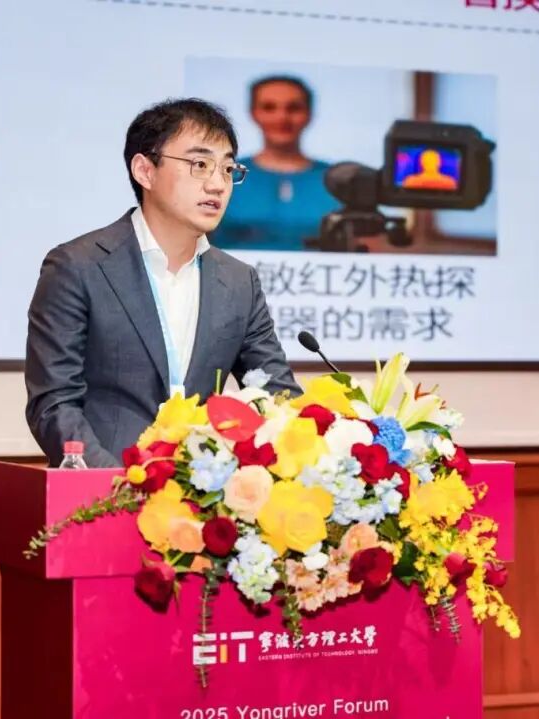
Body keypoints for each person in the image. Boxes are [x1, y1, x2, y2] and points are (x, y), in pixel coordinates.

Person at [25, 98, 302, 467]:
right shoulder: (78, 266)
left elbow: (276, 393)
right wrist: (119, 486)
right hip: (105, 489)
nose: (217, 184)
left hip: (203, 489)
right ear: (145, 170)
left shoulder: (239, 282)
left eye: (227, 169)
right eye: (200, 165)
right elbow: (55, 402)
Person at [211, 76, 339, 252]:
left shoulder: (339, 182)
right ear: (254, 113)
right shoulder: (222, 176)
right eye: (269, 108)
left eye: (294, 108)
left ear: (309, 114)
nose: (282, 117)